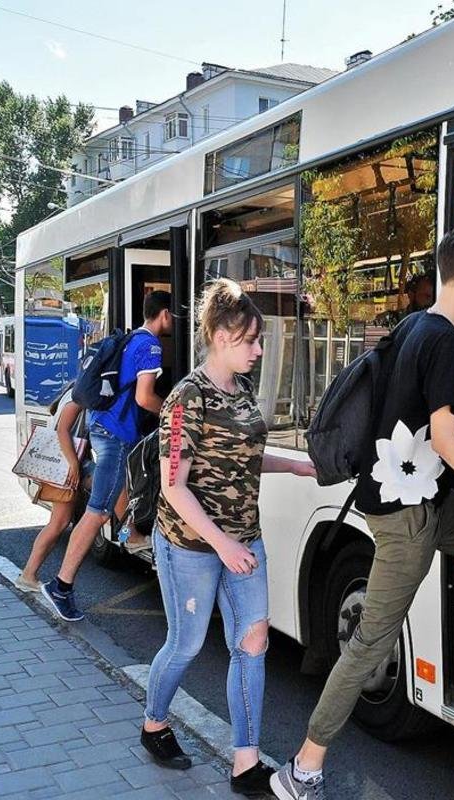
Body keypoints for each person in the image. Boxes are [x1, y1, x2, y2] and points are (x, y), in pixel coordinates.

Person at [272, 228, 454, 800]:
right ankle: (303, 768)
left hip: (419, 498)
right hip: (406, 516)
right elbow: (445, 436)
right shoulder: (448, 342)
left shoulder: (412, 326)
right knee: (368, 643)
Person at [139, 278, 318, 796]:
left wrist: (295, 466)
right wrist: (222, 544)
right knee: (187, 643)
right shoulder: (185, 398)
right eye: (251, 340)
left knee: (253, 642)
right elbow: (174, 487)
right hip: (191, 546)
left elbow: (245, 454)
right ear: (220, 336)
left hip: (244, 539)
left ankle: (245, 764)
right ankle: (154, 723)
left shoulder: (239, 392)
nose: (260, 350)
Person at [41, 290, 175, 621]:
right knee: (97, 512)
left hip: (104, 427)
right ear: (164, 315)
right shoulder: (151, 346)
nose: (175, 321)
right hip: (114, 435)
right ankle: (61, 586)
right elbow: (144, 398)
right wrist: (175, 416)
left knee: (122, 491)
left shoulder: (132, 338)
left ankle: (133, 535)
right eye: (174, 316)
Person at [15, 393, 91, 593]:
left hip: (64, 464)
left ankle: (28, 574)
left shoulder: (73, 391)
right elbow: (62, 430)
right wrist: (74, 463)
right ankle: (28, 575)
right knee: (58, 524)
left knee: (58, 523)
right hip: (65, 465)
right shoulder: (80, 395)